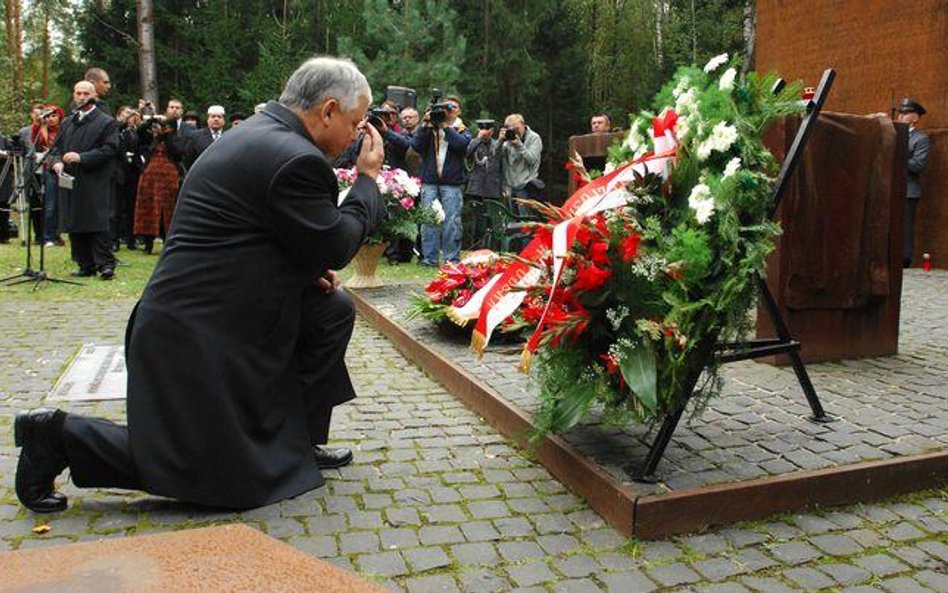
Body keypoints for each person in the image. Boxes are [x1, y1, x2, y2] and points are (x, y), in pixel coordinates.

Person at [13, 56, 386, 514]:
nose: (356, 137)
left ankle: (296, 441)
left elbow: (251, 232)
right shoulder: (294, 158)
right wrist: (367, 181)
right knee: (216, 474)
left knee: (330, 310)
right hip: (194, 339)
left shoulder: (260, 134)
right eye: (355, 123)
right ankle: (55, 436)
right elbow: (336, 245)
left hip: (222, 323)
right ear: (328, 110)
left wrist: (304, 270)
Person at [51, 81, 119, 279]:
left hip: (95, 179)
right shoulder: (68, 122)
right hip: (71, 179)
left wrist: (83, 157)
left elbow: (110, 149)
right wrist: (56, 162)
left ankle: (105, 264)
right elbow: (56, 148)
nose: (80, 97)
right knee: (75, 221)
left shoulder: (106, 122)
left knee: (96, 221)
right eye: (77, 93)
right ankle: (84, 263)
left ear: (94, 96)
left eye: (85, 93)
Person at [396, 95, 470, 266]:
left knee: (451, 221)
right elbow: (416, 145)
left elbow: (461, 146)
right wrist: (424, 125)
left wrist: (445, 126)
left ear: (458, 111)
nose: (448, 110)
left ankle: (451, 259)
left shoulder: (461, 129)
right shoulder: (430, 127)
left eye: (453, 107)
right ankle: (429, 258)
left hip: (452, 182)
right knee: (429, 220)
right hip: (430, 180)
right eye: (446, 107)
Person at [134, 117, 181, 255]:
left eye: (165, 126)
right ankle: (148, 243)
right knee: (148, 207)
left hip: (168, 178)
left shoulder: (175, 138)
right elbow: (140, 134)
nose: (162, 128)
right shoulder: (153, 138)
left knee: (168, 209)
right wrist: (151, 121)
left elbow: (178, 154)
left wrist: (166, 136)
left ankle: (168, 241)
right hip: (150, 177)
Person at [898, 98, 930, 268]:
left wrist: (899, 156)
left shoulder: (921, 139)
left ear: (915, 117)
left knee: (905, 227)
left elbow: (918, 165)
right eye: (901, 112)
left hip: (909, 189)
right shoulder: (895, 134)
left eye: (906, 113)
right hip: (892, 188)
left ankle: (904, 259)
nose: (901, 116)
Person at [464, 119, 503, 249]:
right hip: (477, 188)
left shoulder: (497, 144)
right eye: (482, 129)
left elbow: (500, 161)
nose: (485, 132)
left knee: (492, 220)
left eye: (488, 130)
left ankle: (492, 248)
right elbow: (467, 153)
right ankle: (476, 247)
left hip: (493, 187)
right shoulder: (475, 143)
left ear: (492, 131)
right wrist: (479, 138)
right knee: (477, 221)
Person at [31, 104, 66, 247]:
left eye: (54, 116)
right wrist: (40, 121)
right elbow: (35, 146)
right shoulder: (41, 131)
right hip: (48, 170)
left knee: (62, 204)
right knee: (50, 203)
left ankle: (57, 234)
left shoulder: (65, 131)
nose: (51, 119)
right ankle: (48, 236)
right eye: (48, 116)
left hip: (65, 167)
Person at [500, 113, 543, 216]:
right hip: (511, 187)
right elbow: (497, 158)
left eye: (517, 128)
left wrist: (519, 145)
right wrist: (500, 140)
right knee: (513, 221)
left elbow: (532, 159)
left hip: (526, 186)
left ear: (523, 125)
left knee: (525, 221)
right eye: (511, 129)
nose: (515, 132)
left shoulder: (534, 138)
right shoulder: (508, 140)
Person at [184, 104, 226, 169]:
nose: (216, 119)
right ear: (208, 119)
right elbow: (188, 160)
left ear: (224, 120)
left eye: (219, 117)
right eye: (213, 116)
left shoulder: (229, 136)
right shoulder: (195, 136)